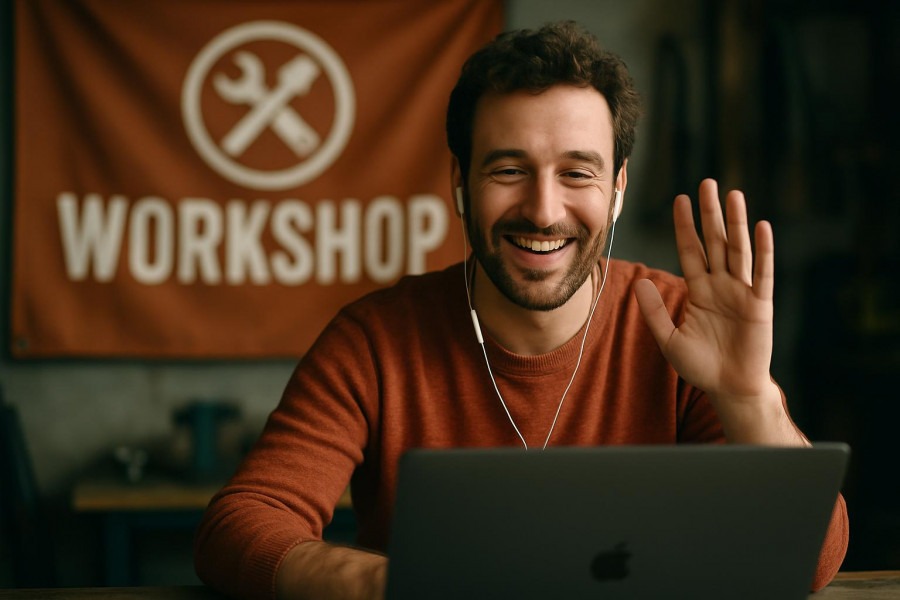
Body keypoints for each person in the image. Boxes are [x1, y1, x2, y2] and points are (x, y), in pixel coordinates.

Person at [194, 21, 848, 600]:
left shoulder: (683, 326)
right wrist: (392, 585)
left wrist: (748, 397)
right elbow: (240, 526)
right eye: (509, 170)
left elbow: (811, 560)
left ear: (618, 189)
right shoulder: (376, 338)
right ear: (460, 182)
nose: (542, 210)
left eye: (577, 173)